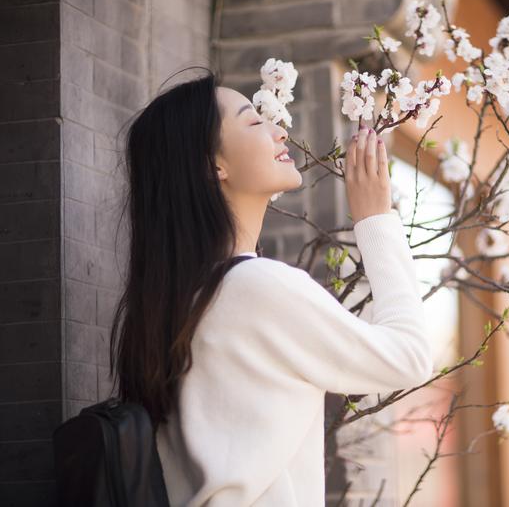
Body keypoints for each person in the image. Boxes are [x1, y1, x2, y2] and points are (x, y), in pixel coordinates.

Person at [109, 69, 433, 506]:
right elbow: (409, 358)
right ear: (213, 165)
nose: (280, 130)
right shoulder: (254, 287)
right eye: (254, 122)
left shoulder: (177, 300)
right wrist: (375, 221)